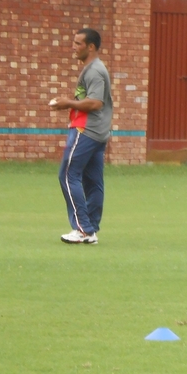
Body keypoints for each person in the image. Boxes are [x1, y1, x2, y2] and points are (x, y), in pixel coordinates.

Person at [50, 28, 113, 245]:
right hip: (99, 133)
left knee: (68, 175)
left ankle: (83, 229)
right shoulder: (92, 68)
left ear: (91, 47)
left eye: (78, 44)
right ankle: (91, 230)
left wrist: (67, 103)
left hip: (86, 130)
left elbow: (95, 103)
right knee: (93, 181)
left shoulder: (94, 70)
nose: (73, 47)